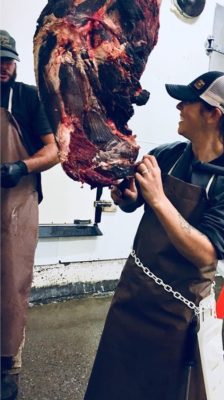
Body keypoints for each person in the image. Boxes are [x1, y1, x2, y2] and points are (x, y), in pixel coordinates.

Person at [84, 71, 224, 399]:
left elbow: (207, 253)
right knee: (111, 384)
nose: (179, 106)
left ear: (212, 114)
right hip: (134, 293)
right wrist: (129, 198)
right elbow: (136, 201)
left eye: (188, 102)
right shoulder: (168, 155)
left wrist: (158, 198)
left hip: (177, 311)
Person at [0, 30, 59, 400]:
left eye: (8, 60)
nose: (3, 67)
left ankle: (8, 369)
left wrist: (21, 167)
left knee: (11, 286)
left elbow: (54, 151)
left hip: (16, 203)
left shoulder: (27, 97)